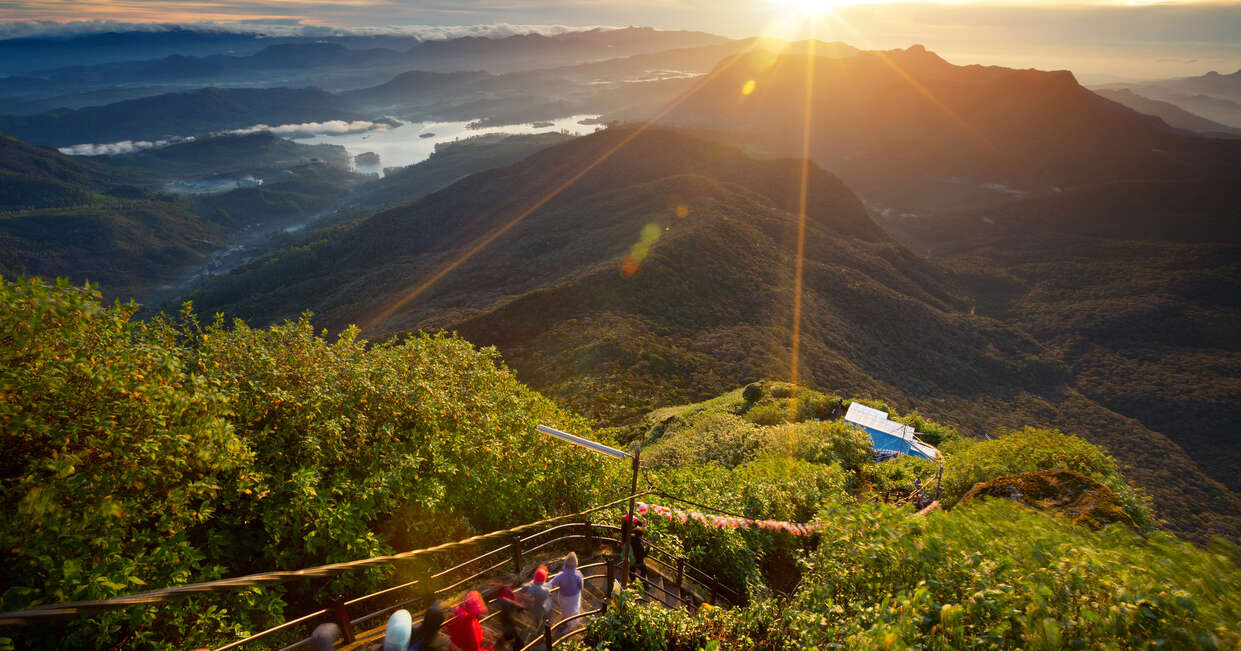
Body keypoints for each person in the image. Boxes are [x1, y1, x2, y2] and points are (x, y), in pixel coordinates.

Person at [486, 576, 526, 650]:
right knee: (511, 634)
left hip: (509, 617)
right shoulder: (505, 590)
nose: (492, 590)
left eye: (493, 588)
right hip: (510, 616)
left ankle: (516, 646)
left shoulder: (502, 597)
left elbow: (508, 602)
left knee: (510, 634)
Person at [549, 552, 585, 633]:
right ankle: (573, 621)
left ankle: (571, 625)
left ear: (565, 563)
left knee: (566, 610)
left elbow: (551, 584)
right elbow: (581, 586)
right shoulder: (578, 574)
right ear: (576, 564)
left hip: (563, 597)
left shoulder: (560, 575)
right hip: (575, 596)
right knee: (573, 609)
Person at [519, 565, 552, 630]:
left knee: (533, 614)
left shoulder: (528, 586)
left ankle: (533, 624)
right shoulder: (545, 591)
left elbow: (522, 589)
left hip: (529, 604)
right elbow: (547, 593)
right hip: (539, 607)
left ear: (534, 578)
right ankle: (536, 626)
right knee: (540, 615)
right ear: (544, 580)